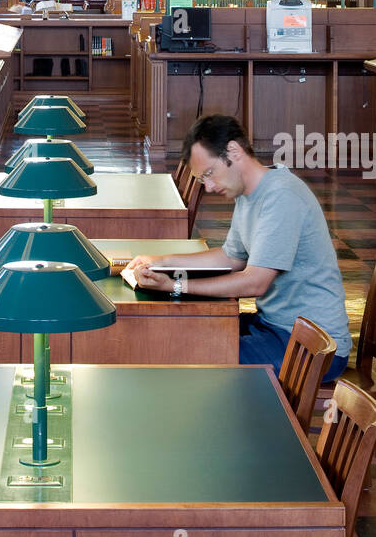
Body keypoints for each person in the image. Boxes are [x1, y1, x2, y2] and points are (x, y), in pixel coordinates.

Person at [127, 113, 351, 379]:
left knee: (192, 355)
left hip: (314, 347)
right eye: (202, 180)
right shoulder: (249, 193)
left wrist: (175, 285)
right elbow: (231, 257)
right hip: (274, 326)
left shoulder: (281, 196)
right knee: (182, 331)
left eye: (209, 173)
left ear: (233, 150)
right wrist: (159, 261)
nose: (208, 187)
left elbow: (255, 283)